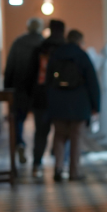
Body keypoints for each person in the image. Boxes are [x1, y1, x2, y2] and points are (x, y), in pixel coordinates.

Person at [46, 29, 100, 182]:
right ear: (79, 41)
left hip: (58, 103)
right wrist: (96, 105)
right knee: (76, 139)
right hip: (79, 104)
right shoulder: (82, 56)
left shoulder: (56, 55)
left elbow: (48, 80)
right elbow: (92, 82)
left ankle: (58, 168)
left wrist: (49, 101)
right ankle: (74, 172)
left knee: (59, 137)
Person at [28, 19, 66, 178]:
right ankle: (59, 166)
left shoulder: (40, 49)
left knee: (41, 132)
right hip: (60, 96)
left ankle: (37, 164)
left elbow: (30, 74)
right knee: (61, 133)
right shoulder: (65, 49)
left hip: (41, 96)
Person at [3, 17, 44, 164]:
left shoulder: (18, 42)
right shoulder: (42, 43)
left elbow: (10, 68)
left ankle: (20, 143)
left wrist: (7, 89)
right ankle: (37, 160)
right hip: (37, 89)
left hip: (19, 87)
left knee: (19, 119)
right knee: (40, 125)